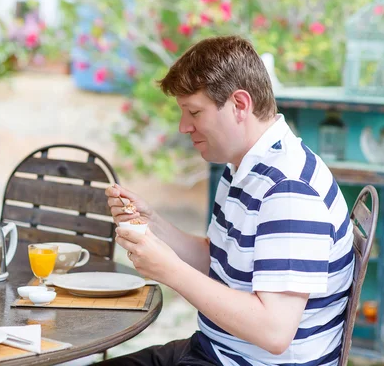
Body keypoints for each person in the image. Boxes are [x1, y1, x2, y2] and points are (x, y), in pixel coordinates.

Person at [102, 36, 354, 366]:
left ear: (239, 105)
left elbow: (274, 332)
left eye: (194, 112)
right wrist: (152, 226)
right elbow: (220, 261)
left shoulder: (289, 190)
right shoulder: (244, 167)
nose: (183, 126)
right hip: (217, 352)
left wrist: (170, 270)